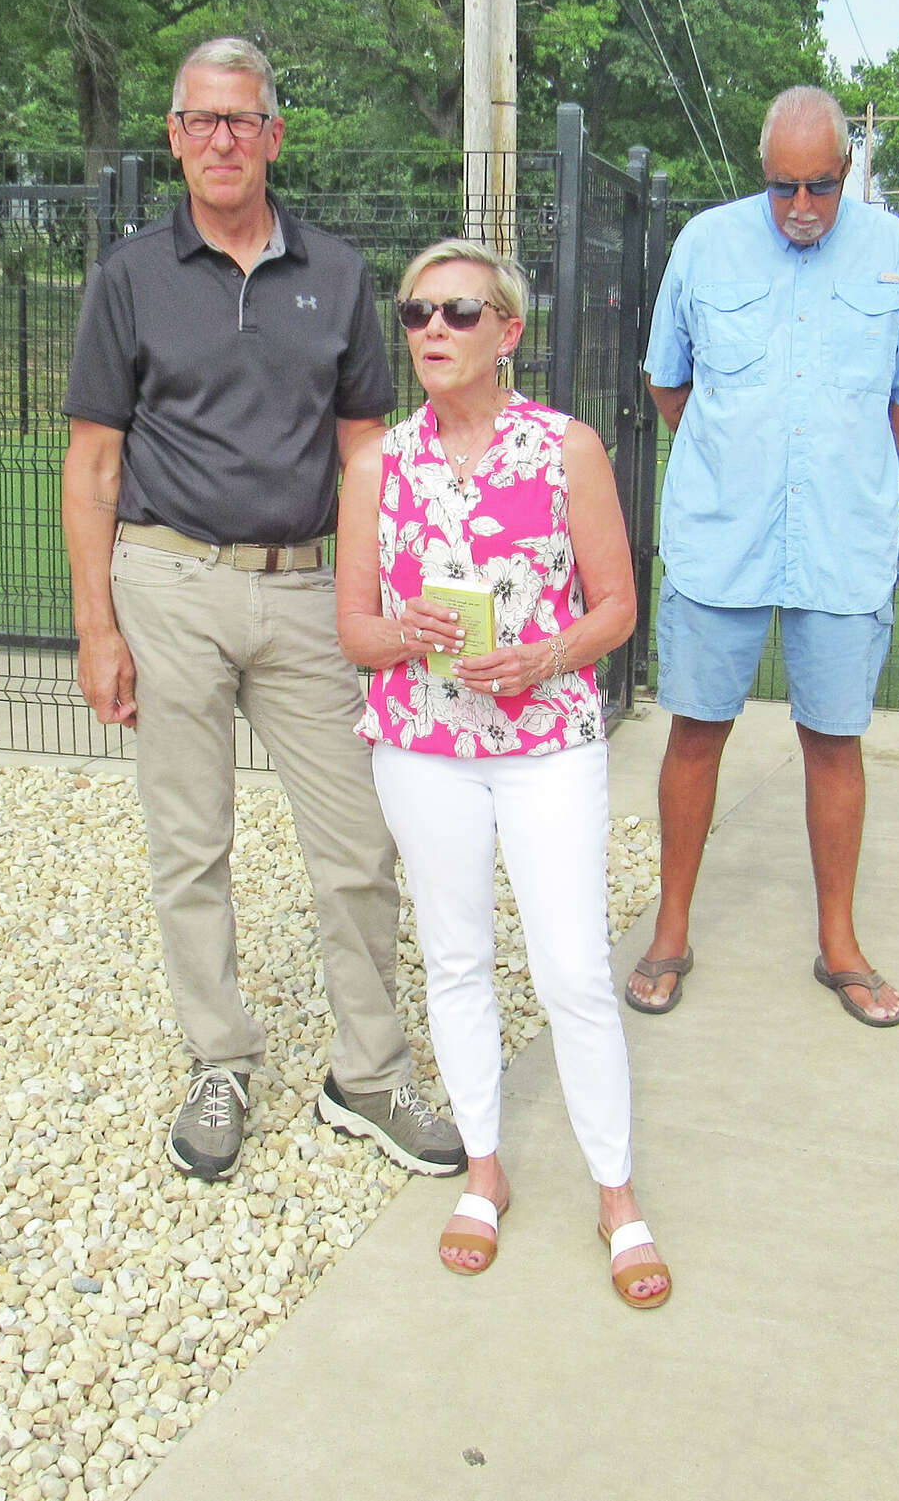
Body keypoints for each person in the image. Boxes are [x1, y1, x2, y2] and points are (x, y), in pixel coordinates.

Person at [61, 36, 465, 1182]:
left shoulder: (335, 274)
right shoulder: (129, 278)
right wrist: (98, 626)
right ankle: (219, 1059)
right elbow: (92, 465)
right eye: (201, 121)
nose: (222, 140)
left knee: (355, 842)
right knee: (190, 845)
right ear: (175, 138)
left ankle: (370, 1073)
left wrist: (378, 600)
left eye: (243, 120)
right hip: (169, 584)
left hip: (304, 594)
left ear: (275, 136)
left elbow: (366, 455)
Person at [335, 237, 670, 1307]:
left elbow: (617, 607)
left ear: (508, 332)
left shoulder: (565, 448)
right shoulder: (376, 466)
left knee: (572, 968)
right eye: (417, 313)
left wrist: (544, 655)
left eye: (459, 314)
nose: (433, 331)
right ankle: (484, 1172)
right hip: (422, 745)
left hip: (546, 743)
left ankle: (616, 1194)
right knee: (457, 955)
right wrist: (402, 629)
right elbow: (352, 630)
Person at [624, 85, 899, 1027]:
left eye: (820, 185)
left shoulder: (893, 255)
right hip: (720, 539)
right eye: (784, 187)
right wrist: (741, 461)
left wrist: (844, 463)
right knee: (695, 731)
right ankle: (671, 928)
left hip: (840, 545)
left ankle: (839, 943)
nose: (802, 206)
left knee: (834, 740)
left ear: (846, 170)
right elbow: (668, 379)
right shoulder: (704, 245)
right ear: (760, 171)